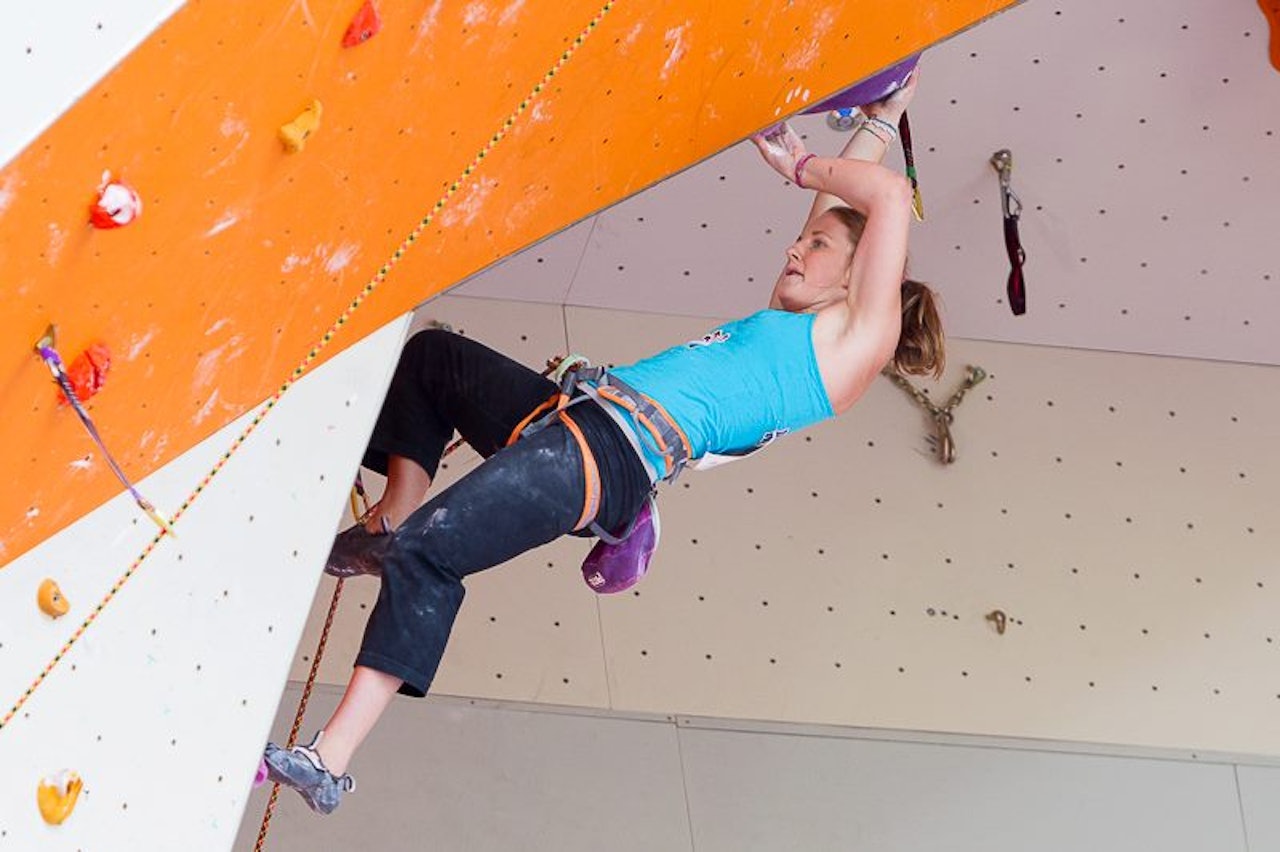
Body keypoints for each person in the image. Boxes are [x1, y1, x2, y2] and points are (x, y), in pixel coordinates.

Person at [264, 73, 943, 815]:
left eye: (815, 245)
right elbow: (853, 205)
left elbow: (884, 200)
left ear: (858, 279)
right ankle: (389, 517)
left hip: (611, 457)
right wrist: (885, 113)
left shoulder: (851, 346)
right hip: (577, 414)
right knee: (435, 362)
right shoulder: (802, 318)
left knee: (433, 553)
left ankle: (328, 759)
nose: (795, 245)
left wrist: (798, 164)